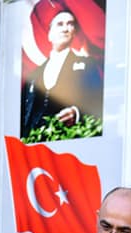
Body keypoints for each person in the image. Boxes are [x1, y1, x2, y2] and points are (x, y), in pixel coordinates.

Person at [20, 8, 104, 141]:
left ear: (74, 32)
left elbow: (98, 101)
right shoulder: (34, 76)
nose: (65, 28)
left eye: (70, 24)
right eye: (60, 24)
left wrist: (77, 113)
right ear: (49, 34)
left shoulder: (87, 65)